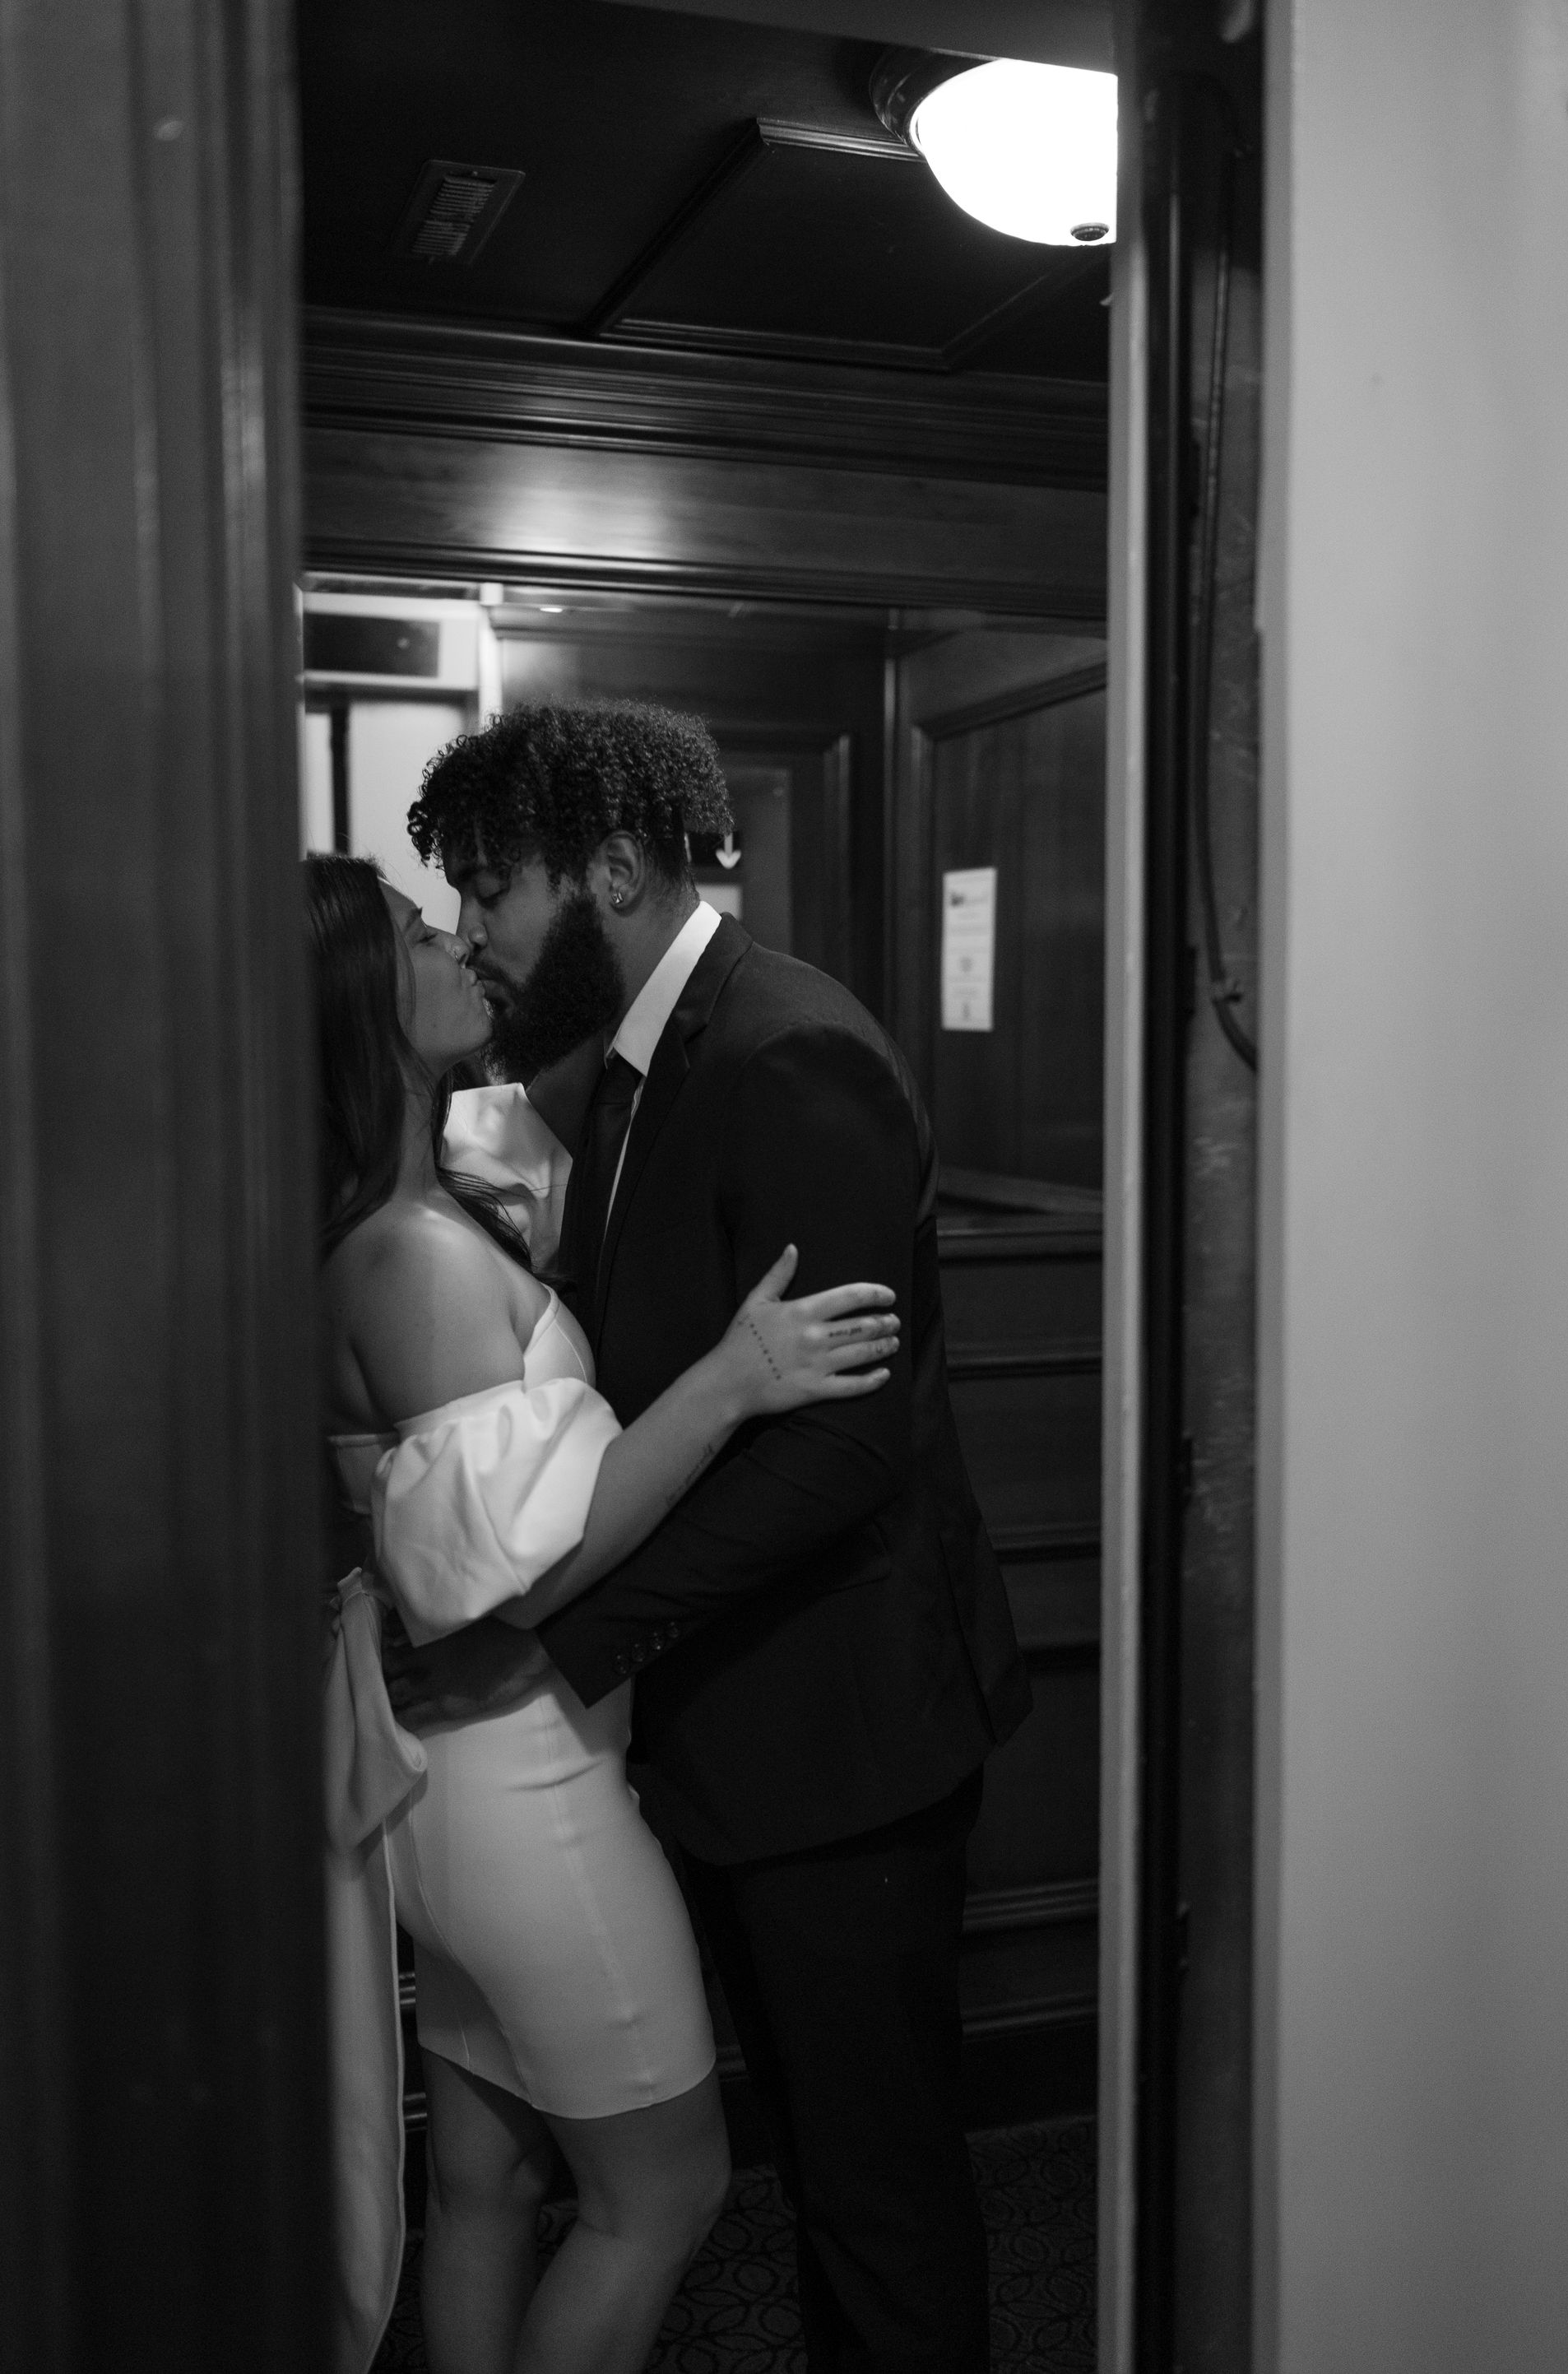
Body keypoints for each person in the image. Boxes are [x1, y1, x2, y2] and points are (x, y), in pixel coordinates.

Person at [388, 700, 1033, 2374]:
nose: (474, 929)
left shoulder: (787, 1050)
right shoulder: (626, 1065)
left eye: (490, 889)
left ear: (611, 868)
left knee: (877, 2198)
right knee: (807, 2178)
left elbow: (842, 1451)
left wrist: (571, 1639)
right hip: (727, 1729)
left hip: (845, 1741)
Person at [308, 853, 902, 2374]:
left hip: (463, 1786)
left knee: (492, 2181)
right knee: (663, 2194)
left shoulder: (412, 1213)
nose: (458, 940)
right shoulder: (410, 1255)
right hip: (530, 1785)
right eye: (417, 930)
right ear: (355, 1000)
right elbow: (520, 1567)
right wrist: (735, 1380)